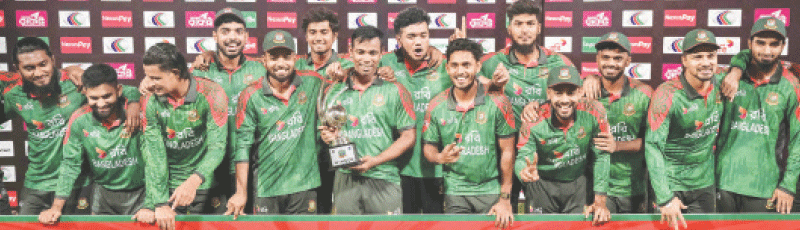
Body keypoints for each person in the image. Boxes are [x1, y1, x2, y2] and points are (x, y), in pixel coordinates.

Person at [6, 37, 140, 215]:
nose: (38, 72)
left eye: (43, 64)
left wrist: (133, 103)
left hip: (77, 182)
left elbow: (117, 89)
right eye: (29, 68)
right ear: (17, 69)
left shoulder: (75, 82)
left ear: (53, 60)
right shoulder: (13, 95)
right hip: (36, 181)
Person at [478, 0, 575, 208]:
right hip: (501, 151)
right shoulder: (491, 62)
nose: (524, 30)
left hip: (543, 153)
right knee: (503, 211)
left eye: (530, 24)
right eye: (519, 24)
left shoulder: (559, 62)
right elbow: (464, 78)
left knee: (540, 217)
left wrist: (541, 108)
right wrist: (492, 84)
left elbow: (576, 98)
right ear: (509, 28)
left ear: (539, 28)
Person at [38, 64, 153, 224]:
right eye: (94, 98)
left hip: (141, 194)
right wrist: (56, 207)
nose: (101, 104)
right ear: (85, 93)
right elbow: (70, 164)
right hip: (103, 197)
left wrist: (151, 204)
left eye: (107, 96)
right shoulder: (79, 120)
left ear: (119, 91)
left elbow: (155, 161)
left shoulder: (137, 115)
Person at [320, 26, 416, 215]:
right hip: (345, 178)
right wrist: (328, 136)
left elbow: (408, 136)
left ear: (381, 54)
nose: (366, 59)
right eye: (360, 52)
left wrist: (375, 161)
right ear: (350, 52)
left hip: (384, 177)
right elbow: (328, 131)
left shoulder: (395, 90)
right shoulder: (334, 89)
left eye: (372, 53)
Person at [422, 38, 515, 228]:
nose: (460, 71)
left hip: (490, 190)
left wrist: (505, 198)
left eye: (466, 64)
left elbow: (508, 152)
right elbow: (428, 149)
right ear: (447, 68)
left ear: (478, 66)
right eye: (455, 65)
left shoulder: (498, 101)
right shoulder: (436, 105)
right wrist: (440, 157)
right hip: (455, 191)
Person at [232, 30, 325, 216]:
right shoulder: (250, 95)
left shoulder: (314, 82)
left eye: (287, 57)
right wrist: (240, 192)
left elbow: (348, 75)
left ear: (295, 58)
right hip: (267, 187)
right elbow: (242, 146)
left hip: (304, 186)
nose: (281, 63)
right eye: (274, 57)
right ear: (263, 60)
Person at [713, 17, 800, 214]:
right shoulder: (726, 78)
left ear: (783, 46)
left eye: (774, 44)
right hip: (722, 181)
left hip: (764, 186)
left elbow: (798, 141)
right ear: (749, 44)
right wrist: (736, 70)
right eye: (760, 43)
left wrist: (787, 185)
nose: (767, 51)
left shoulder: (791, 86)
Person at [140, 43, 228, 230]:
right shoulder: (150, 100)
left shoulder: (213, 93)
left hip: (207, 185)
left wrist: (193, 181)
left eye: (155, 77)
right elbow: (154, 155)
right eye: (147, 76)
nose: (149, 82)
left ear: (176, 72)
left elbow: (217, 147)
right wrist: (158, 202)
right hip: (169, 190)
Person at [189, 7, 268, 214]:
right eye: (225, 31)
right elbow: (164, 82)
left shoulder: (261, 70)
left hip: (251, 168)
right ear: (215, 36)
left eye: (238, 31)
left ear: (246, 36)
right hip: (212, 170)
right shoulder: (199, 71)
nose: (232, 37)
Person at [646, 29, 724, 230]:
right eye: (697, 57)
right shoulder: (666, 94)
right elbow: (653, 146)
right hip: (671, 184)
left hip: (704, 182)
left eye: (711, 56)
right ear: (684, 61)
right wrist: (664, 198)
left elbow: (751, 61)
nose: (706, 62)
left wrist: (737, 70)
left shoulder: (723, 82)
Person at [515, 65, 612, 226]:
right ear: (548, 94)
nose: (565, 100)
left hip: (578, 184)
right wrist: (522, 172)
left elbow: (601, 156)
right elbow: (522, 156)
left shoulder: (595, 111)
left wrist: (600, 200)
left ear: (580, 92)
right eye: (558, 93)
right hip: (541, 184)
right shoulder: (533, 118)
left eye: (571, 93)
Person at [379, 6, 450, 214]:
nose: (418, 42)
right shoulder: (385, 63)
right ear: (398, 39)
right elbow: (356, 65)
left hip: (435, 168)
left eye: (423, 35)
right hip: (398, 168)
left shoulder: (445, 65)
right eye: (411, 36)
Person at [588, 32, 653, 213]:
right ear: (597, 59)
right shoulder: (584, 92)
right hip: (593, 187)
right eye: (605, 57)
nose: (611, 63)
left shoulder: (644, 94)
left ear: (628, 61)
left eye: (618, 58)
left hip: (631, 187)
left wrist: (617, 145)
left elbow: (653, 142)